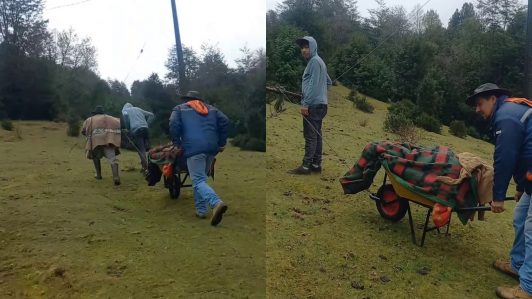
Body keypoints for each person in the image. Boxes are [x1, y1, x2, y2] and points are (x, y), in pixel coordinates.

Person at [466, 83, 532, 299]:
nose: (477, 109)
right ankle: (517, 264)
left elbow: (505, 159)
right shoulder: (510, 113)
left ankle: (528, 289)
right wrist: (522, 187)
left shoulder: (506, 117)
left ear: (494, 99)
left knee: (531, 229)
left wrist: (498, 197)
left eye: (480, 104)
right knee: (521, 217)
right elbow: (524, 152)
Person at [169, 91, 230, 226]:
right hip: (211, 148)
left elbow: (173, 123)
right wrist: (221, 142)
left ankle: (216, 203)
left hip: (193, 148)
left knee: (198, 180)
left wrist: (177, 143)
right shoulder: (212, 109)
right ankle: (201, 211)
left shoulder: (179, 109)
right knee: (201, 179)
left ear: (188, 100)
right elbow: (225, 121)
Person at [288, 36, 332, 175]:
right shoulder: (320, 62)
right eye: (302, 48)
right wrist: (321, 93)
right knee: (317, 135)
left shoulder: (313, 61)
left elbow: (313, 84)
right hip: (322, 105)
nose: (304, 50)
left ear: (313, 47)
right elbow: (329, 82)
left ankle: (306, 166)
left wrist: (305, 104)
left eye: (306, 47)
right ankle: (316, 164)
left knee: (310, 136)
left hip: (313, 105)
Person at [81, 105, 122, 186]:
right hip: (109, 140)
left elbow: (83, 131)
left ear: (95, 113)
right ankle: (116, 177)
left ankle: (98, 175)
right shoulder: (111, 118)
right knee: (112, 159)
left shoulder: (90, 119)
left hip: (96, 141)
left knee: (95, 158)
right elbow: (119, 126)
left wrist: (88, 135)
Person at [121, 103, 154, 172]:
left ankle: (146, 168)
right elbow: (151, 115)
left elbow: (126, 117)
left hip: (137, 130)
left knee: (141, 150)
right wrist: (147, 124)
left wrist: (128, 128)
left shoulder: (125, 110)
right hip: (145, 129)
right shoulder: (138, 109)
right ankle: (150, 165)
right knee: (147, 149)